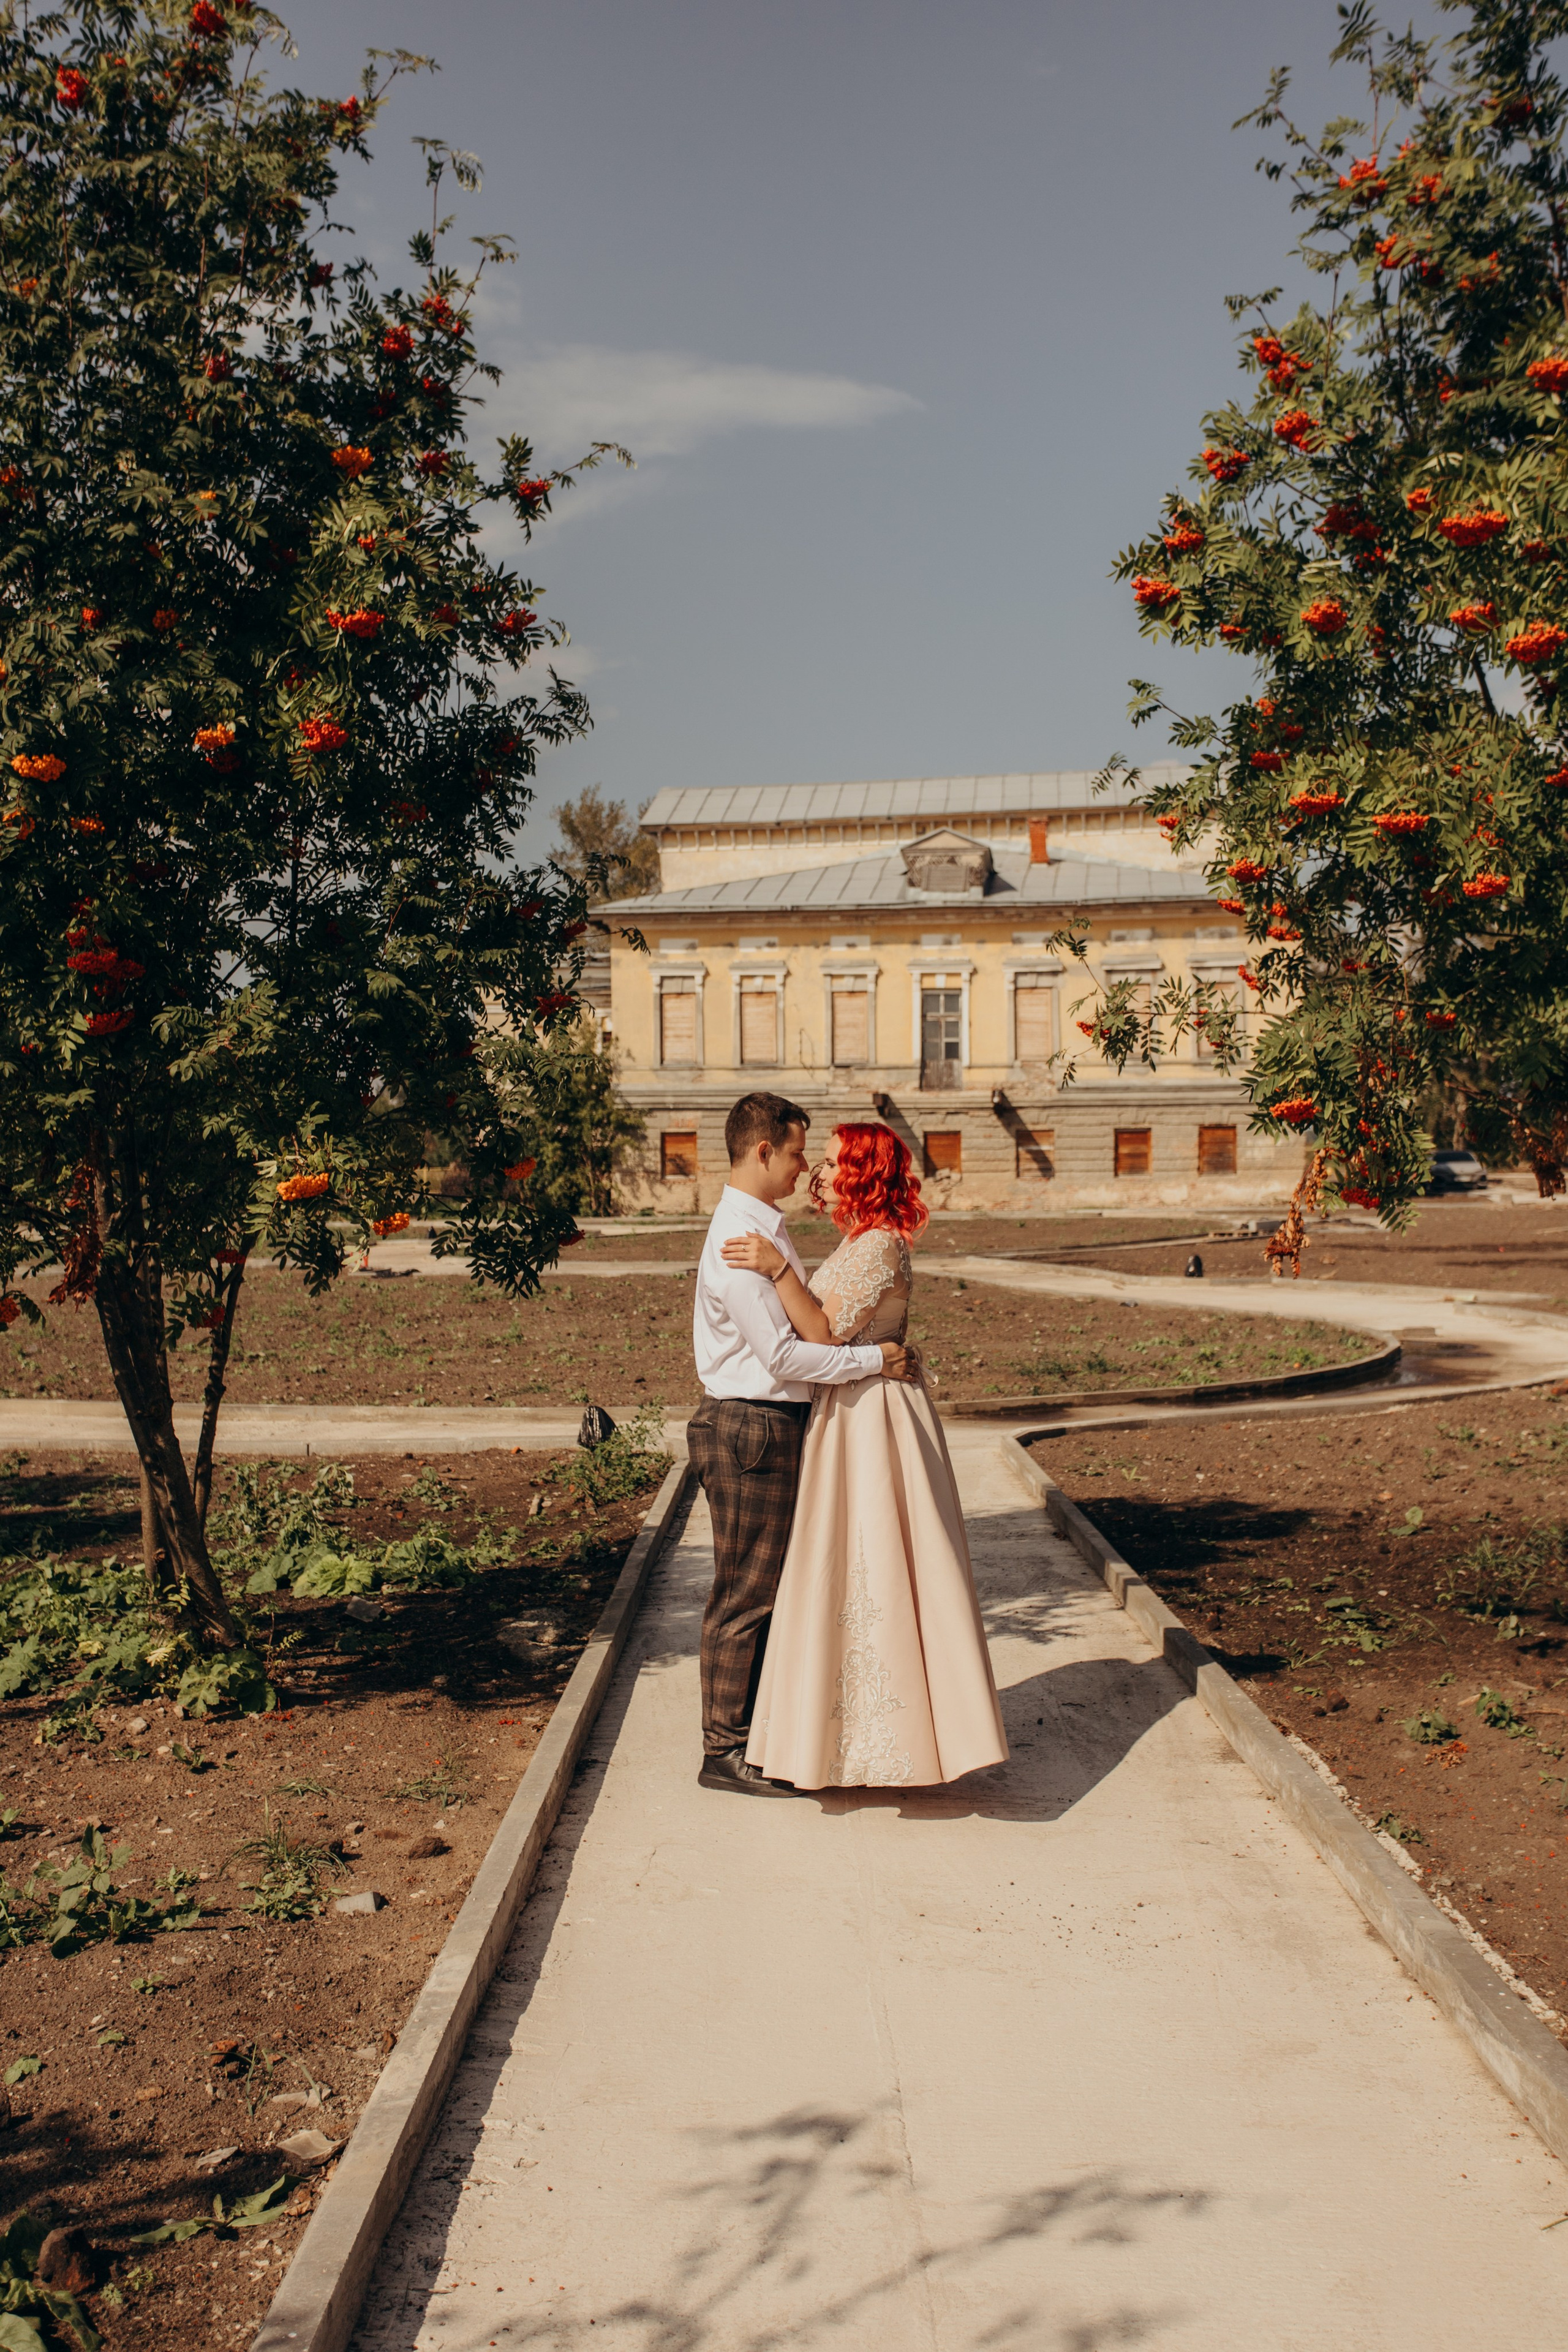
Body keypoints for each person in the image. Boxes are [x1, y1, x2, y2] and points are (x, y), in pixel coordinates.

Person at [720, 1121, 1008, 1791]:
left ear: (864, 1173)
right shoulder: (860, 1240)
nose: (817, 1174)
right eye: (816, 1161)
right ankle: (836, 1736)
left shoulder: (879, 1244)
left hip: (873, 1420)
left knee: (876, 1561)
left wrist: (778, 1269)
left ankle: (892, 1740)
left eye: (830, 1162)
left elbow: (823, 1332)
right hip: (851, 1409)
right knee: (843, 1569)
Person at [688, 1092, 920, 1798]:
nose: (806, 1170)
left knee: (772, 1591)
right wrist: (876, 1359)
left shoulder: (767, 1231)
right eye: (798, 1155)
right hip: (751, 1427)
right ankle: (723, 1751)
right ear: (764, 1151)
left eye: (819, 1160)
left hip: (771, 1424)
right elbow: (788, 1354)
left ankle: (757, 1738)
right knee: (746, 1595)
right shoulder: (741, 1241)